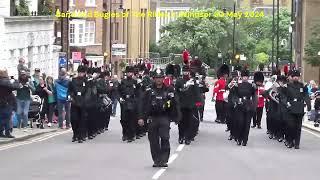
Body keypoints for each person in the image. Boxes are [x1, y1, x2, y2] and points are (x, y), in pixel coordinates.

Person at [137, 67, 181, 168]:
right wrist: (140, 117)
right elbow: (141, 104)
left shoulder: (169, 89)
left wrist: (177, 117)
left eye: (160, 77)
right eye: (156, 77)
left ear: (163, 78)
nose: (158, 79)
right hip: (152, 118)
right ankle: (157, 160)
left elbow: (176, 103)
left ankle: (164, 159)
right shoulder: (148, 89)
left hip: (165, 117)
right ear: (153, 78)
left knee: (165, 137)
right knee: (153, 140)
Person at [175, 64, 202, 145]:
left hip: (191, 105)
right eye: (184, 71)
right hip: (181, 104)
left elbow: (197, 92)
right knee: (181, 122)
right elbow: (176, 92)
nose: (185, 73)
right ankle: (181, 136)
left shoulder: (192, 81)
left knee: (189, 122)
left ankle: (187, 138)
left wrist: (198, 102)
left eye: (187, 71)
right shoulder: (179, 81)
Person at [285, 70, 311, 149]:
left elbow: (306, 95)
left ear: (299, 77)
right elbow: (283, 96)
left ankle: (297, 143)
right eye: (294, 76)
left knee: (298, 127)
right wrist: (286, 103)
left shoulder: (302, 86)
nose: (296, 78)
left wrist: (308, 105)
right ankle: (290, 141)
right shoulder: (288, 86)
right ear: (292, 77)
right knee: (291, 126)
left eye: (297, 76)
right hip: (291, 107)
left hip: (299, 107)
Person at [232, 69, 257, 146]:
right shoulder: (238, 85)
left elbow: (254, 96)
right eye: (244, 77)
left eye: (246, 77)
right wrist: (236, 101)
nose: (245, 78)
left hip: (249, 105)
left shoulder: (251, 86)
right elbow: (235, 95)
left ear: (248, 77)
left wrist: (254, 106)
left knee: (247, 124)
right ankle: (239, 139)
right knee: (240, 122)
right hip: (240, 105)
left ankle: (245, 140)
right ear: (241, 77)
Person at [118, 65, 139, 142]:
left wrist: (136, 100)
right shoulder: (122, 82)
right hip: (124, 101)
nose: (129, 74)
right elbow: (118, 91)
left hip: (132, 101)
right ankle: (125, 134)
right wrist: (120, 98)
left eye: (130, 72)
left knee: (132, 119)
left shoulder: (135, 82)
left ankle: (131, 135)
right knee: (124, 119)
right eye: (128, 72)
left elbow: (138, 92)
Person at [68, 65, 89, 143]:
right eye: (79, 72)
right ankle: (75, 134)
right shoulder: (73, 80)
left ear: (84, 73)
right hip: (74, 102)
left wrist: (85, 100)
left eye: (82, 73)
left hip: (83, 103)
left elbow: (88, 92)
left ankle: (80, 136)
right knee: (74, 119)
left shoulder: (86, 81)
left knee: (82, 120)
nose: (80, 74)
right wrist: (70, 96)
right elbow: (69, 90)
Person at [0, 68, 21, 138]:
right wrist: (16, 81)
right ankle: (7, 133)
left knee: (2, 118)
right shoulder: (4, 82)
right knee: (7, 118)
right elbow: (16, 87)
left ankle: (1, 132)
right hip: (6, 102)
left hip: (3, 102)